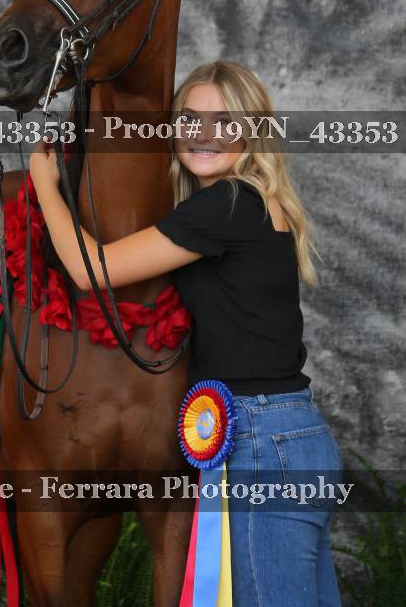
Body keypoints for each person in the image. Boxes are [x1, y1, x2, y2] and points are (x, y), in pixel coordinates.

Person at [29, 59, 343, 606]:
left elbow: (90, 269)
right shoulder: (253, 203)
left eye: (224, 121)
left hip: (260, 442)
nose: (204, 134)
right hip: (289, 435)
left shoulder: (226, 204)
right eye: (190, 119)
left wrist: (44, 183)